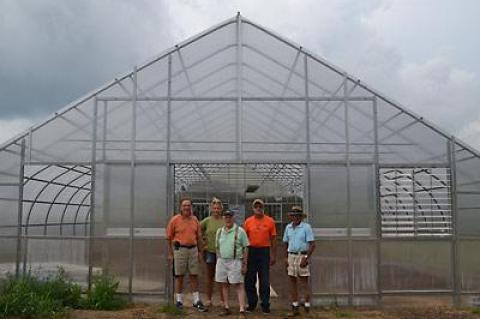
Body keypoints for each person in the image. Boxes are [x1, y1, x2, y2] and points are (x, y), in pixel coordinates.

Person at [166, 198, 207, 312]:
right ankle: (178, 301)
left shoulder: (195, 220)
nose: (186, 207)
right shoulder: (175, 220)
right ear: (180, 207)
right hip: (180, 250)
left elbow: (199, 237)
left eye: (188, 205)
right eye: (184, 205)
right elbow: (169, 237)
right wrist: (170, 253)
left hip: (193, 250)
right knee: (179, 276)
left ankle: (196, 301)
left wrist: (200, 252)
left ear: (191, 207)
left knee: (194, 275)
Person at [243, 198, 277, 314]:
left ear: (263, 208)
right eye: (256, 207)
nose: (258, 208)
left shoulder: (270, 221)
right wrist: (245, 257)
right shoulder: (248, 221)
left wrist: (273, 254)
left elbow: (273, 239)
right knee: (249, 278)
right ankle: (251, 303)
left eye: (260, 207)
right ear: (253, 208)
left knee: (265, 279)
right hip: (251, 251)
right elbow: (244, 240)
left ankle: (265, 304)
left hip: (264, 252)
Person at [215, 209, 249, 316]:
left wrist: (244, 264)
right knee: (224, 284)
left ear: (233, 218)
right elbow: (217, 247)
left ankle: (242, 309)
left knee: (239, 284)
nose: (228, 219)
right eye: (226, 217)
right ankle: (226, 307)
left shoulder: (240, 231)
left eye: (230, 217)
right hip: (222, 261)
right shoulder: (219, 231)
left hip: (235, 261)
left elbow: (246, 248)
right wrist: (218, 259)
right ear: (223, 218)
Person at [282, 206, 315, 317]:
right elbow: (285, 243)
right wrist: (286, 257)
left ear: (301, 216)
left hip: (302, 255)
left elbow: (312, 244)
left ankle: (306, 306)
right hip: (291, 255)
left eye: (297, 215)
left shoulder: (306, 227)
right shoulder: (288, 227)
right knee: (292, 281)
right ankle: (295, 306)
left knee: (304, 281)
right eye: (293, 215)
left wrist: (306, 258)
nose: (295, 217)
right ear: (291, 216)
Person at [200, 197, 225, 307]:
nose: (216, 210)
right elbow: (198, 231)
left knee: (222, 277)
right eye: (214, 208)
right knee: (210, 276)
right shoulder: (207, 221)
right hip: (210, 251)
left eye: (218, 208)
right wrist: (203, 243)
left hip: (222, 253)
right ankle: (209, 299)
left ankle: (223, 300)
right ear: (211, 208)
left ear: (221, 209)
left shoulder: (225, 220)